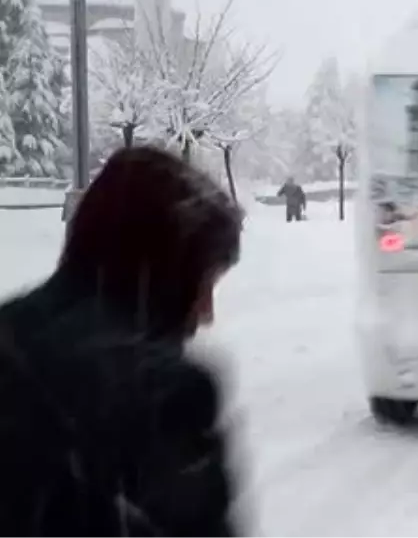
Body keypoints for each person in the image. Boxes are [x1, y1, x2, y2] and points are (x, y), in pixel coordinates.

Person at [0, 145, 245, 538]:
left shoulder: (8, 334)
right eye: (204, 284)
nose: (206, 313)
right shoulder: (164, 393)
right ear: (169, 270)